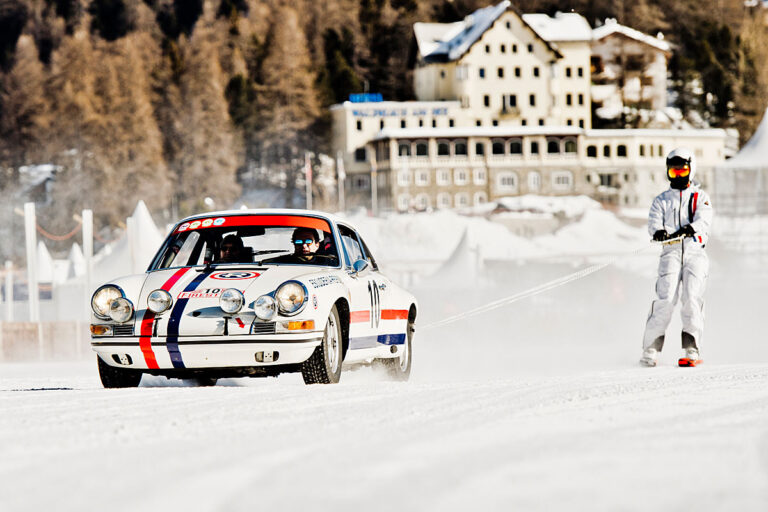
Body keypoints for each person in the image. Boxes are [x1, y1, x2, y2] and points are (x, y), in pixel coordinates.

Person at [640, 147, 714, 367]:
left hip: (694, 253)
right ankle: (651, 348)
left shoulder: (700, 197)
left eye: (682, 172)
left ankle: (691, 347)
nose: (678, 176)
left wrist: (690, 228)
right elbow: (654, 221)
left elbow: (705, 219)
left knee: (691, 297)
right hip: (670, 253)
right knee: (665, 297)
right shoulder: (662, 200)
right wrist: (658, 232)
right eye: (674, 172)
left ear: (691, 171)